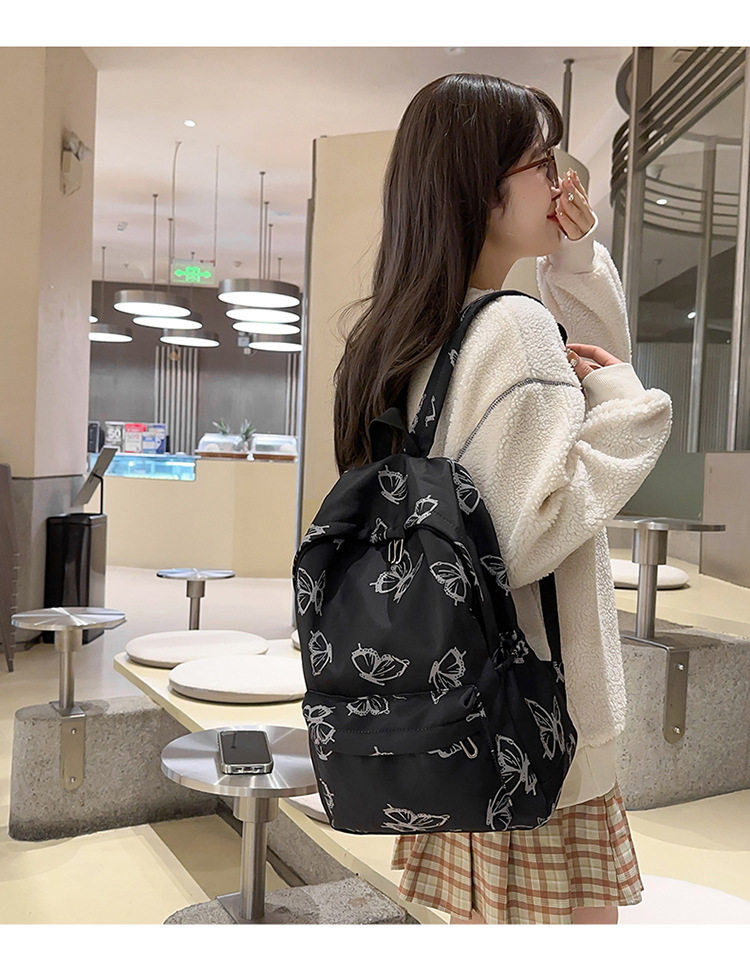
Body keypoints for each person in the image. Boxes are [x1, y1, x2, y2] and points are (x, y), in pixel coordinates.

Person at [332, 73, 672, 925]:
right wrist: (630, 412)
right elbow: (526, 531)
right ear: (486, 190)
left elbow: (561, 394)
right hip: (534, 712)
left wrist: (574, 261)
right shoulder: (513, 328)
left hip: (449, 702)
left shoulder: (408, 331)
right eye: (543, 164)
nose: (563, 183)